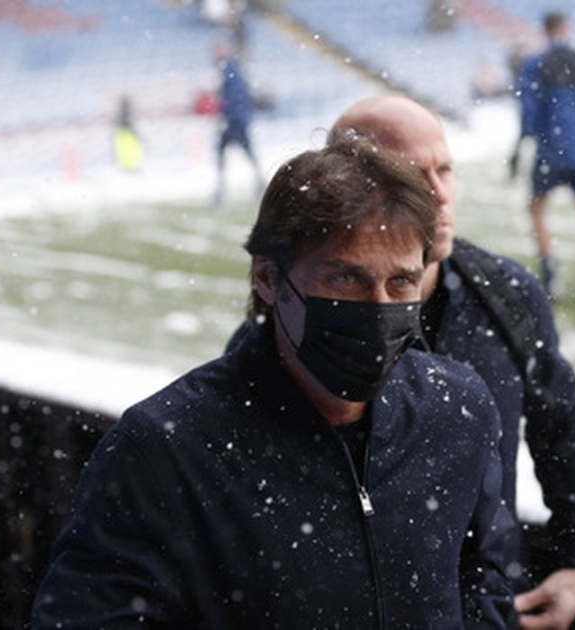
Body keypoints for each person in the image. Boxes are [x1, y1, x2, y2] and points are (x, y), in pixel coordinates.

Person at [31, 136, 516, 628]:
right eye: (345, 279)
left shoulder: (457, 409)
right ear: (268, 278)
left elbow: (484, 579)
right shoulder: (167, 447)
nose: (379, 307)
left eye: (401, 282)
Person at [326, 96, 575, 629]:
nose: (438, 195)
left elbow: (560, 419)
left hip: (491, 612)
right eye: (412, 177)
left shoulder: (505, 294)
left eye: (445, 170)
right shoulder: (303, 325)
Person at [515, 11, 575, 302]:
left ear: (544, 31)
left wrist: (524, 141)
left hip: (551, 150)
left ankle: (550, 279)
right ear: (567, 28)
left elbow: (528, 109)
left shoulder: (536, 62)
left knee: (536, 208)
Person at [212, 39, 265, 207]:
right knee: (240, 153)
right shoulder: (229, 69)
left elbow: (235, 97)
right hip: (236, 119)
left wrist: (229, 116)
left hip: (235, 121)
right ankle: (256, 183)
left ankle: (223, 190)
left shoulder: (229, 69)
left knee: (232, 153)